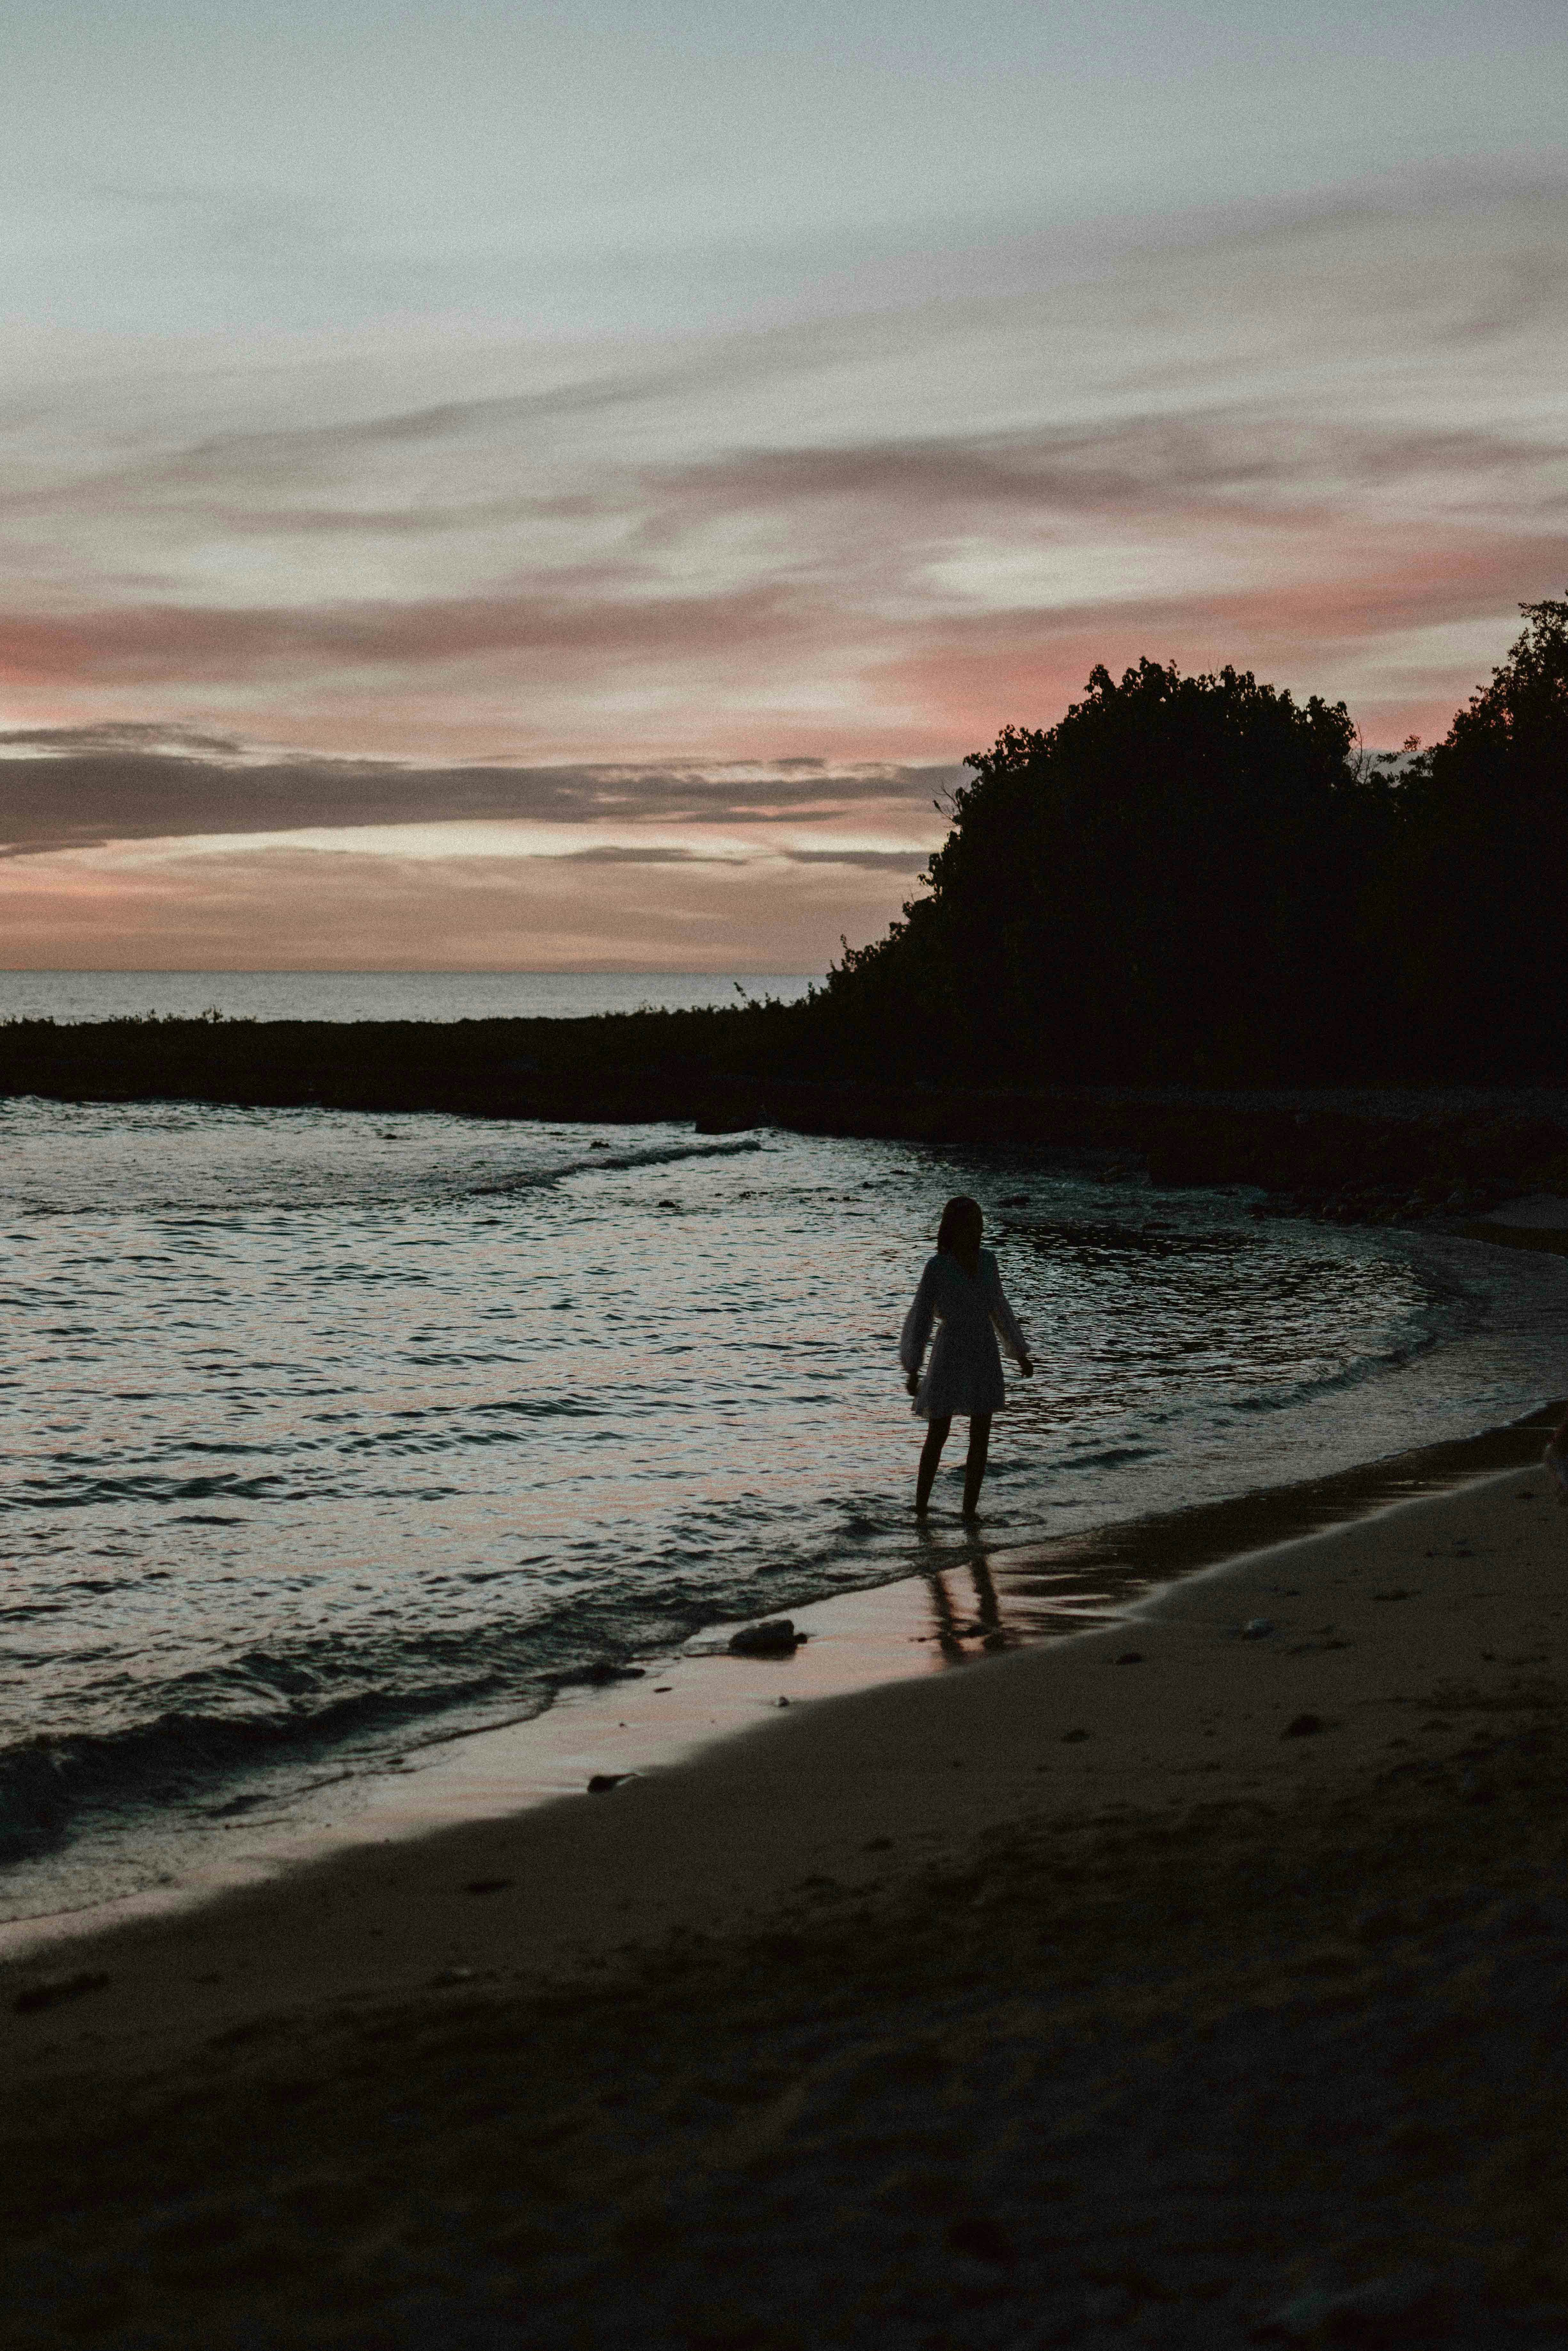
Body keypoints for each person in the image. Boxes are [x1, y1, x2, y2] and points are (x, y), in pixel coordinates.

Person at [900, 1194, 1033, 1518]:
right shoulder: (937, 1267)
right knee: (938, 1431)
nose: (975, 1230)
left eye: (978, 1223)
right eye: (968, 1224)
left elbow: (1000, 1309)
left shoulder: (988, 1261)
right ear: (953, 1228)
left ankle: (968, 1511)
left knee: (980, 1435)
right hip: (950, 1349)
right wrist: (913, 1367)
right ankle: (920, 1509)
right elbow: (920, 1318)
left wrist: (1018, 1353)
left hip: (984, 1350)